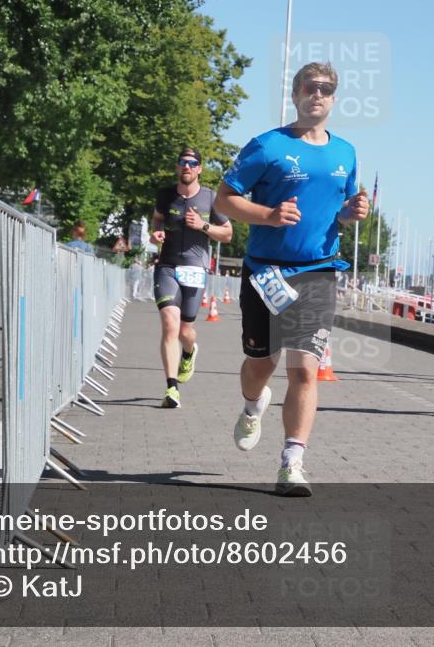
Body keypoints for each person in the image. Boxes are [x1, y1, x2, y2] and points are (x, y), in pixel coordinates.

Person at [215, 62, 369, 497]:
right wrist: (268, 214)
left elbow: (340, 209)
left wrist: (351, 212)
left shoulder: (346, 153)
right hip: (265, 271)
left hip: (319, 271)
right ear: (296, 94)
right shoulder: (267, 146)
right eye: (310, 87)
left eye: (326, 88)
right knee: (260, 365)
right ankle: (252, 406)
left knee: (304, 370)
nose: (318, 94)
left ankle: (291, 464)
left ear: (334, 98)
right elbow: (224, 200)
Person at [150, 148, 232, 408]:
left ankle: (189, 352)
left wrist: (203, 225)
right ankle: (171, 388)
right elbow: (157, 220)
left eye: (192, 163)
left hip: (195, 270)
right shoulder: (165, 195)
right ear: (177, 167)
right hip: (167, 266)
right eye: (183, 162)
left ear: (199, 169)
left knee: (186, 331)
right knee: (169, 324)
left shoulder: (211, 198)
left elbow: (227, 234)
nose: (187, 166)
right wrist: (156, 233)